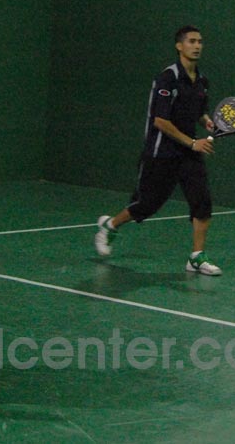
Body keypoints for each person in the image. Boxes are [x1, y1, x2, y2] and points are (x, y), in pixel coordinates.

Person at [94, 25, 222, 276]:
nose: (197, 46)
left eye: (200, 41)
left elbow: (198, 111)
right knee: (147, 205)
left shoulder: (202, 81)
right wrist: (193, 142)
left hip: (188, 153)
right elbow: (160, 121)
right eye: (191, 41)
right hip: (161, 153)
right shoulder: (167, 78)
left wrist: (206, 121)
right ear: (179, 46)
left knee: (202, 202)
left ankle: (196, 257)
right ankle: (110, 225)